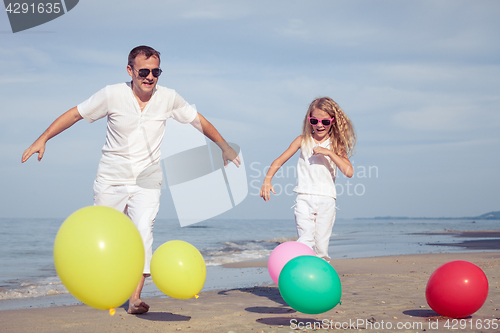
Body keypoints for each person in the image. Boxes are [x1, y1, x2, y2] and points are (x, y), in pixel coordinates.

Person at [22, 45, 240, 314]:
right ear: (130, 70)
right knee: (104, 237)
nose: (150, 77)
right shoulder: (112, 94)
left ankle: (134, 298)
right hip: (110, 179)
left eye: (156, 71)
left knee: (142, 234)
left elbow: (198, 121)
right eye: (144, 71)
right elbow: (75, 114)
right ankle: (106, 289)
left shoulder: (168, 97)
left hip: (147, 182)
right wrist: (43, 138)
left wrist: (223, 146)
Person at [260, 97, 355, 262]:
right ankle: (302, 277)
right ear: (309, 120)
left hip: (327, 200)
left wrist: (329, 153)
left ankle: (319, 280)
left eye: (325, 121)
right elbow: (278, 161)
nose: (319, 125)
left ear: (332, 121)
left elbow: (349, 172)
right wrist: (267, 180)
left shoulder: (336, 144)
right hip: (304, 197)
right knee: (305, 240)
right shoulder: (302, 140)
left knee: (321, 248)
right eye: (314, 120)